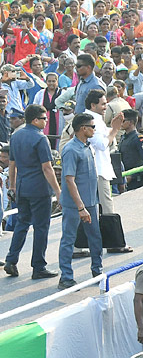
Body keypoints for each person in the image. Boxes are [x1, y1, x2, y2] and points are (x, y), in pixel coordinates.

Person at [4, 104, 59, 280]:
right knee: (41, 227)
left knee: (22, 224)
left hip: (22, 187)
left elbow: (12, 164)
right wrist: (58, 192)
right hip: (39, 189)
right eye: (44, 118)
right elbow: (47, 168)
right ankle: (38, 266)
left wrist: (12, 186)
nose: (46, 121)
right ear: (35, 120)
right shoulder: (41, 139)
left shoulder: (16, 135)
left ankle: (11, 260)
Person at [58, 112, 102, 290]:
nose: (94, 129)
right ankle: (66, 276)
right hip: (75, 205)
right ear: (83, 129)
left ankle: (97, 271)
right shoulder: (71, 150)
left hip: (90, 202)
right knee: (69, 239)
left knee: (96, 238)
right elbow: (69, 180)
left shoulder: (87, 146)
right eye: (92, 127)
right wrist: (80, 207)